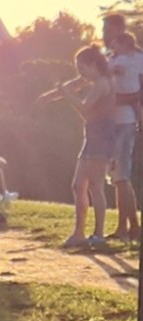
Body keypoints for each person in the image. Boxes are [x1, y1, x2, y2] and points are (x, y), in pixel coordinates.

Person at [42, 47, 116, 249]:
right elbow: (72, 91)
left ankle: (98, 234)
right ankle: (79, 233)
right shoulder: (92, 81)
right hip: (91, 135)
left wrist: (66, 94)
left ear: (94, 65)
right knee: (78, 185)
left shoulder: (102, 83)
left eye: (82, 68)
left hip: (101, 136)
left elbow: (85, 106)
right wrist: (53, 95)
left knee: (95, 186)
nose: (80, 72)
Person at [105, 29, 143, 242]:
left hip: (123, 121)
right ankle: (127, 226)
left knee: (121, 176)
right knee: (119, 176)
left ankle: (129, 227)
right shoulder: (127, 59)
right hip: (121, 119)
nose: (113, 49)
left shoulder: (129, 60)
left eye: (116, 44)